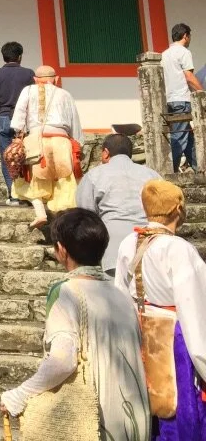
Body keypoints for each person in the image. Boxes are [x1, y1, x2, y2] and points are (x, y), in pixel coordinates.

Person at [0, 209, 150, 440]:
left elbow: (62, 361)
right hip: (135, 420)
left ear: (61, 250)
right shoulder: (122, 295)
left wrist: (19, 395)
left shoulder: (66, 292)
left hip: (95, 422)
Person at [115, 179, 206, 439]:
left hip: (140, 332)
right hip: (175, 338)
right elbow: (194, 307)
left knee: (151, 404)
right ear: (177, 209)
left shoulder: (128, 242)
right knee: (179, 411)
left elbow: (121, 293)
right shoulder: (179, 249)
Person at [11, 65, 84, 230]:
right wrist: (78, 143)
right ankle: (63, 220)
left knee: (31, 180)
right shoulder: (65, 94)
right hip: (61, 141)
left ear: (35, 79)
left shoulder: (28, 91)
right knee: (64, 181)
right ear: (56, 79)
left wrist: (18, 136)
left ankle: (40, 213)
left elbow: (18, 119)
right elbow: (75, 122)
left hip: (37, 141)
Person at [75, 134, 157, 275]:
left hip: (113, 246)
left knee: (118, 292)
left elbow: (86, 216)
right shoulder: (152, 175)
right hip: (151, 243)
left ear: (106, 153)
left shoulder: (94, 175)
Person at [0, 42, 35, 204]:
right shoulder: (28, 73)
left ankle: (13, 194)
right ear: (20, 56)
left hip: (3, 117)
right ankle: (26, 192)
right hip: (23, 119)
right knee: (25, 155)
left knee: (7, 156)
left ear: (4, 57)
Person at [161, 23, 202, 172]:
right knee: (179, 137)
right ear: (186, 35)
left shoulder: (164, 54)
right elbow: (189, 76)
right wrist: (202, 93)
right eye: (189, 36)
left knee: (188, 137)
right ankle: (170, 172)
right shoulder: (184, 52)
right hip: (181, 100)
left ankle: (200, 168)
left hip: (170, 100)